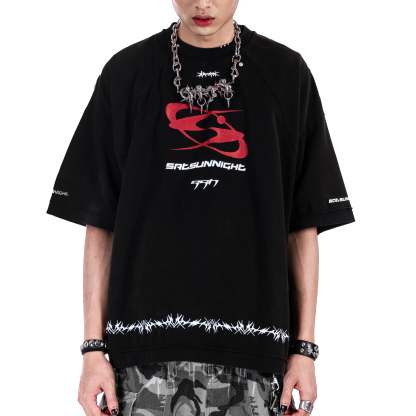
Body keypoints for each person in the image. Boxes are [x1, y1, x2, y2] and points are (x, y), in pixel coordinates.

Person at [46, 1, 355, 415]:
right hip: (142, 356)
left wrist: (304, 349)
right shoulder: (126, 74)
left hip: (256, 355)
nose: (202, 3)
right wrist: (92, 350)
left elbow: (303, 226)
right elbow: (100, 222)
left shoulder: (285, 74)